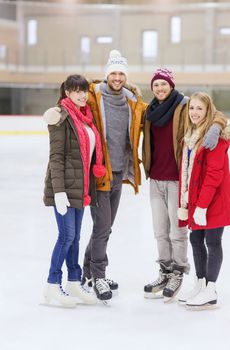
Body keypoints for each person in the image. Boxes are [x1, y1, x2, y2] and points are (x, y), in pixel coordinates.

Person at [142, 69, 228, 302]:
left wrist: (216, 127)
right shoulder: (148, 111)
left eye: (164, 84)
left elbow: (214, 112)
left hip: (177, 179)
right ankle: (165, 271)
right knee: (160, 231)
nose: (160, 88)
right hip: (156, 178)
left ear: (171, 85)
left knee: (177, 232)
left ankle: (179, 272)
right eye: (156, 85)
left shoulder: (184, 105)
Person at [82, 50, 147, 301]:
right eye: (113, 73)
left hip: (120, 172)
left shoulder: (132, 100)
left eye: (121, 73)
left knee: (105, 227)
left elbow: (158, 112)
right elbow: (70, 102)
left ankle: (90, 271)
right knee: (101, 228)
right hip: (99, 172)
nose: (117, 78)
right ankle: (98, 277)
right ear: (107, 74)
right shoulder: (93, 97)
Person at [42, 74, 105, 307]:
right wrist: (59, 191)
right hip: (64, 189)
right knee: (66, 236)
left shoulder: (86, 118)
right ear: (67, 93)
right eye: (76, 91)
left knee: (75, 237)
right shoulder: (61, 117)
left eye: (84, 91)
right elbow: (56, 157)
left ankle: (73, 283)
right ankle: (52, 285)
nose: (82, 95)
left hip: (81, 187)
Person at [177, 92, 230, 309]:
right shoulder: (191, 134)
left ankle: (210, 289)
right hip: (197, 200)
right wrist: (188, 202)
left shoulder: (215, 138)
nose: (194, 112)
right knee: (195, 240)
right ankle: (200, 284)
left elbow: (214, 174)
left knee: (212, 242)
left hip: (214, 201)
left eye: (199, 108)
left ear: (208, 110)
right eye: (192, 108)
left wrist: (202, 206)